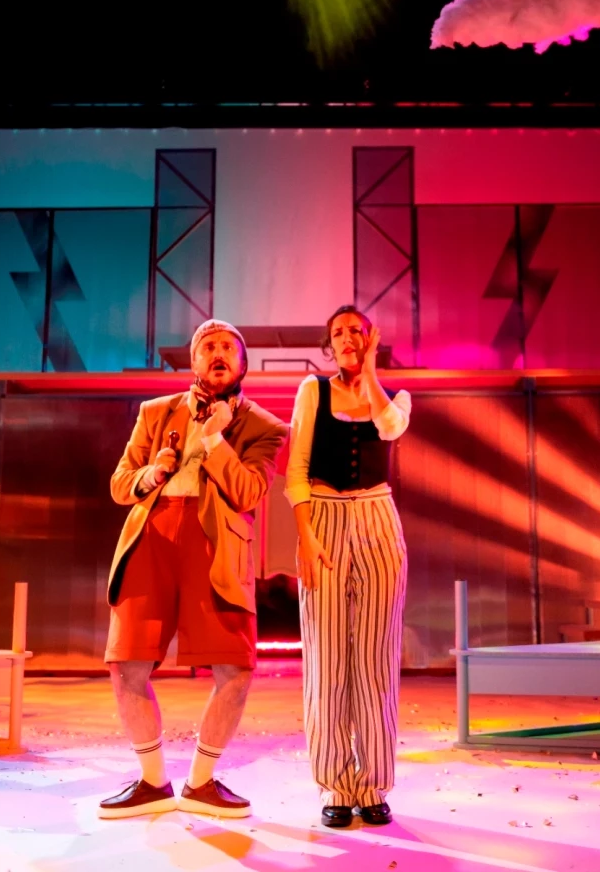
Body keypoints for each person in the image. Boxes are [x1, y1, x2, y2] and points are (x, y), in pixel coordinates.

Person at [99, 319, 288, 819]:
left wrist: (215, 440)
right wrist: (152, 473)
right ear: (194, 360)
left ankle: (201, 782)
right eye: (208, 346)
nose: (218, 353)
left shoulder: (265, 426)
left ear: (243, 363)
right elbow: (120, 484)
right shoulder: (154, 412)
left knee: (235, 667)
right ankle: (152, 781)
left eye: (228, 347)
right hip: (151, 538)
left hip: (216, 547)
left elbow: (248, 492)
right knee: (126, 662)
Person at [287, 305, 412, 829]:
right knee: (328, 658)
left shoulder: (395, 397)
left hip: (378, 517)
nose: (346, 338)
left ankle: (372, 783)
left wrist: (372, 373)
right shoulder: (312, 391)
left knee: (377, 657)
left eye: (356, 331)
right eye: (337, 332)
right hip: (324, 516)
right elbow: (296, 470)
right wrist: (306, 534)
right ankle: (336, 784)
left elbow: (390, 428)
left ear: (370, 338)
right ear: (328, 344)